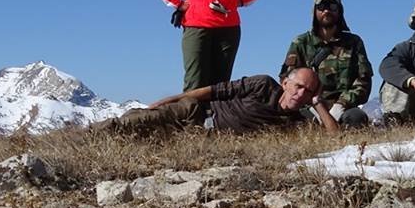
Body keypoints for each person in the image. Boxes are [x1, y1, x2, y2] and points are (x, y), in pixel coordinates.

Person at [92, 68, 337, 136]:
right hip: (197, 112)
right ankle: (88, 134)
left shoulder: (295, 124)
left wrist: (318, 104)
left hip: (197, 135)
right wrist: (174, 98)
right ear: (285, 83)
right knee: (136, 122)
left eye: (308, 92)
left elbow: (334, 137)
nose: (300, 94)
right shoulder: (263, 84)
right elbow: (214, 91)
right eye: (298, 86)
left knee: (141, 139)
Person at [280, 0, 373, 128]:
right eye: (321, 6)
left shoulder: (354, 42)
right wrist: (312, 105)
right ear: (314, 11)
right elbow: (286, 79)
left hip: (343, 109)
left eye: (332, 6)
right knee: (293, 123)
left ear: (339, 11)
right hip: (309, 108)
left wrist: (341, 104)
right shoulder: (300, 43)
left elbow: (364, 81)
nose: (327, 11)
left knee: (356, 119)